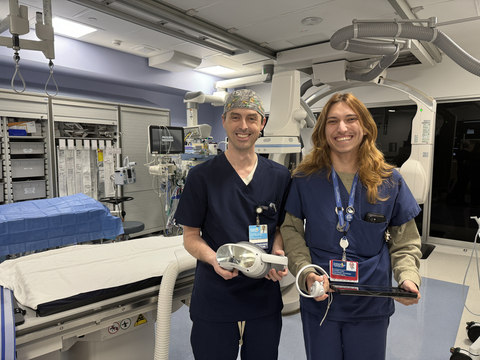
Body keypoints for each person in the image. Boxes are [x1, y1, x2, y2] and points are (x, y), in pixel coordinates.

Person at [280, 93, 422, 360]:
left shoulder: (390, 181)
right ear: (323, 131)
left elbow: (406, 241)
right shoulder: (304, 179)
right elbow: (291, 230)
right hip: (320, 294)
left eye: (350, 119)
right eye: (332, 121)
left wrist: (407, 277)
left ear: (365, 127)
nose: (342, 128)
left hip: (372, 299)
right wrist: (306, 271)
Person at [174, 89, 291, 360]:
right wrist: (215, 260)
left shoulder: (280, 177)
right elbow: (190, 237)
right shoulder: (201, 176)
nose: (243, 126)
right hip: (215, 299)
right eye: (235, 117)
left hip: (263, 299)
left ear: (262, 124)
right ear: (224, 121)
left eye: (252, 118)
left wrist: (277, 251)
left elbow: (283, 228)